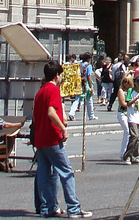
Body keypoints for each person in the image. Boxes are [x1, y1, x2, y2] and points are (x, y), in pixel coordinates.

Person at [32, 60, 91, 218]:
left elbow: (35, 116)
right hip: (52, 138)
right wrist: (63, 129)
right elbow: (51, 112)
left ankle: (48, 207)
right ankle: (73, 208)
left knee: (44, 174)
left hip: (40, 137)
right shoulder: (53, 90)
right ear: (57, 75)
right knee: (67, 172)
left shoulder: (40, 91)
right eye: (61, 76)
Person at [116, 68, 139, 164]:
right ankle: (127, 156)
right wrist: (137, 98)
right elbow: (127, 103)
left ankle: (135, 156)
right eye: (138, 82)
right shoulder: (130, 92)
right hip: (132, 117)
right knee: (134, 136)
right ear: (134, 82)